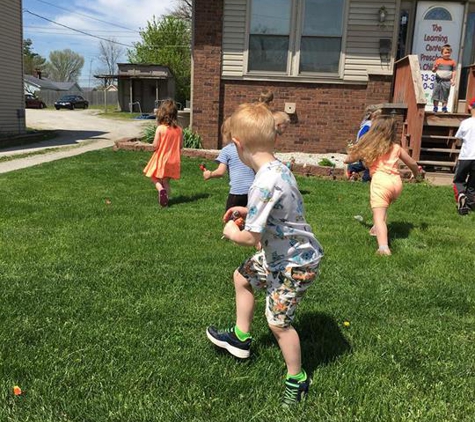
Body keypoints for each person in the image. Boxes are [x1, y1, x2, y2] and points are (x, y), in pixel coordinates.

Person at [205, 103, 323, 406]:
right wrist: (249, 210)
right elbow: (277, 209)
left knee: (278, 323)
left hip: (294, 265)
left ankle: (297, 378)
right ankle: (241, 338)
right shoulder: (278, 168)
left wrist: (233, 232)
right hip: (280, 255)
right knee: (242, 277)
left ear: (237, 146)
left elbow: (251, 237)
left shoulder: (262, 183)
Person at [345, 116, 421, 256]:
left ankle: (383, 247)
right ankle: (376, 229)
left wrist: (352, 151)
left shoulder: (370, 147)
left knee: (378, 217)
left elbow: (348, 160)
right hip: (396, 184)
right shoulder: (396, 147)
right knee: (384, 207)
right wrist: (416, 174)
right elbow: (412, 163)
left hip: (380, 183)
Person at [203, 117, 255, 210]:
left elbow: (220, 172)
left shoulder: (226, 150)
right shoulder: (250, 148)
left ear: (226, 133)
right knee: (248, 218)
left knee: (230, 218)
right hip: (253, 191)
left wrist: (209, 174)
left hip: (237, 191)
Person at [143, 99, 183, 207]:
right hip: (173, 160)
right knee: (166, 181)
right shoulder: (179, 130)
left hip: (161, 159)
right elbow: (180, 146)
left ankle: (160, 189)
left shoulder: (160, 129)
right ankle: (166, 200)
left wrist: (152, 146)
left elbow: (155, 145)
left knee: (153, 175)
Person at [346, 106, 381, 182]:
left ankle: (352, 168)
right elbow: (362, 137)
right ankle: (366, 180)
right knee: (371, 165)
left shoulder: (366, 124)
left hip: (365, 149)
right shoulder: (369, 126)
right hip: (367, 149)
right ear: (373, 116)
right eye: (379, 117)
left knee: (364, 164)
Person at [453, 96, 475, 215]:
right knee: (473, 184)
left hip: (465, 157)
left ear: (470, 107)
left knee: (459, 180)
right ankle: (471, 204)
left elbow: (458, 140)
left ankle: (461, 195)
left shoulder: (465, 123)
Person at [432, 44, 456, 113]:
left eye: (449, 53)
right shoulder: (438, 60)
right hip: (438, 80)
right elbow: (433, 70)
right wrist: (435, 68)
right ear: (442, 53)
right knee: (436, 93)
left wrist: (453, 79)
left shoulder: (452, 62)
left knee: (445, 94)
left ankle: (444, 107)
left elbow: (454, 71)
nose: (447, 54)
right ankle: (435, 107)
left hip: (447, 80)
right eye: (445, 53)